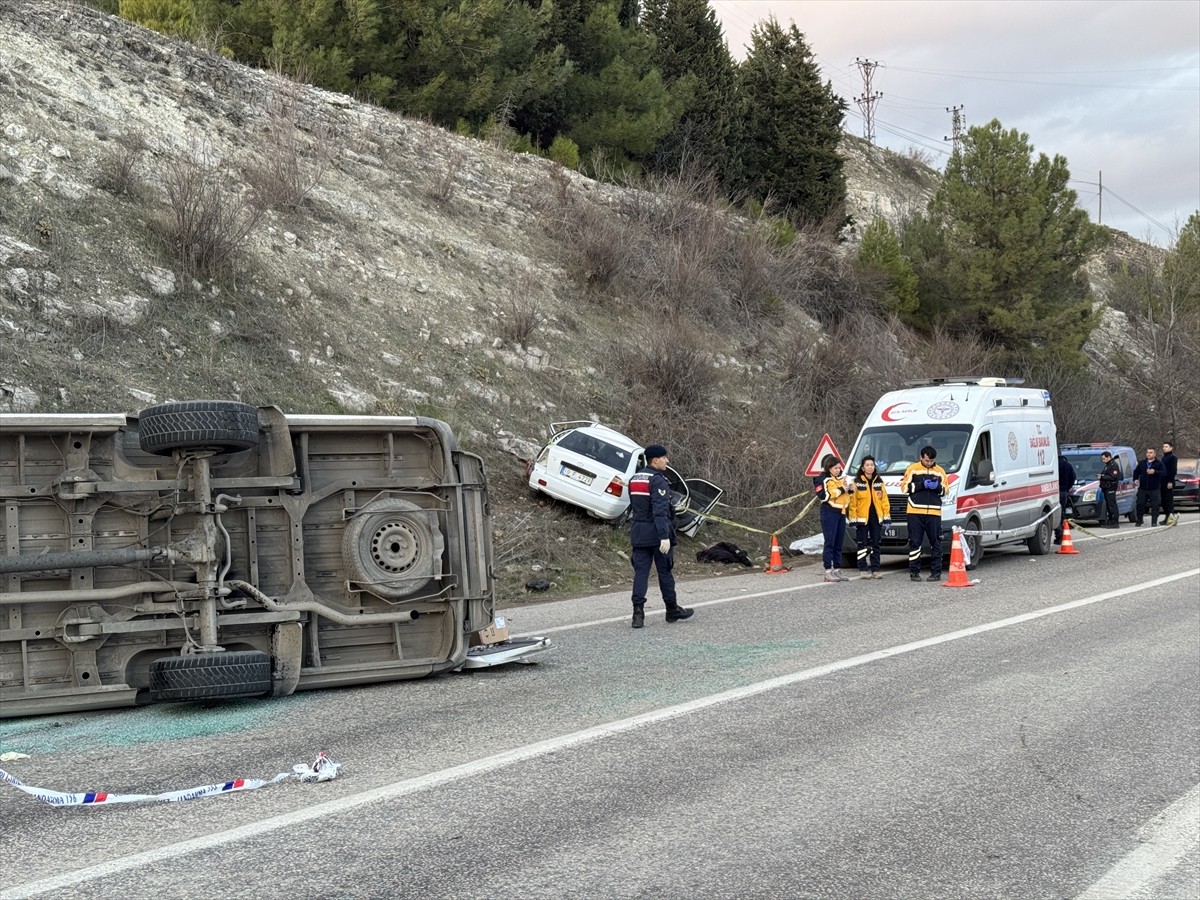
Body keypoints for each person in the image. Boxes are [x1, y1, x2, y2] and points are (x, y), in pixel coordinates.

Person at [628, 444, 693, 628]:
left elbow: (634, 506)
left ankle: (637, 615)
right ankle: (672, 610)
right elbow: (660, 511)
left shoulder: (634, 478)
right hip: (657, 534)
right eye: (664, 457)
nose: (667, 460)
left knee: (640, 574)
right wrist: (664, 536)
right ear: (655, 460)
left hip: (639, 534)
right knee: (665, 572)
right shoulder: (658, 481)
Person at [901, 445, 947, 582]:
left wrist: (937, 487)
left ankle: (936, 572)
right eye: (927, 460)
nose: (929, 463)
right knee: (915, 542)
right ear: (921, 458)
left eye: (931, 461)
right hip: (915, 511)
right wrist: (922, 484)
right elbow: (904, 488)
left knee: (936, 542)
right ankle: (914, 572)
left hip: (934, 512)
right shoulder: (912, 469)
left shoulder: (940, 471)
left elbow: (946, 490)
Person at [849, 455, 890, 579]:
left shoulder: (879, 482)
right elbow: (853, 502)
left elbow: (884, 501)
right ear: (862, 467)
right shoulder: (856, 482)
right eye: (867, 465)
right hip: (862, 518)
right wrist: (853, 518)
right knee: (862, 544)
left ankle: (875, 569)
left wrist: (887, 517)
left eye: (872, 465)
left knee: (875, 543)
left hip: (876, 518)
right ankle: (863, 569)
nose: (870, 467)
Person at [818, 454, 853, 582]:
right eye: (835, 468)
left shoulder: (841, 479)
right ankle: (828, 570)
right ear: (829, 468)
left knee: (839, 543)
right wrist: (842, 489)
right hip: (829, 512)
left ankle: (838, 569)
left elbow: (845, 495)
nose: (838, 470)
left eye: (839, 468)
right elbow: (826, 495)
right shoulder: (825, 480)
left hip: (841, 512)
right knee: (830, 542)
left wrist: (850, 489)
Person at [1133, 446, 1165, 527]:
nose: (1149, 454)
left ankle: (1154, 521)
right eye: (1148, 452)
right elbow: (1136, 472)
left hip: (1154, 488)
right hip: (1143, 488)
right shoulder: (1142, 463)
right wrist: (1135, 479)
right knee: (1140, 504)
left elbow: (1164, 473)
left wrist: (1155, 472)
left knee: (1155, 505)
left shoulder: (1159, 463)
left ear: (1154, 454)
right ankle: (1139, 520)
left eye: (1151, 453)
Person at [1053, 453, 1077, 545]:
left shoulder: (1054, 464)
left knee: (1054, 512)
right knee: (1062, 512)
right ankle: (1061, 534)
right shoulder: (1068, 465)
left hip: (1053, 491)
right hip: (1063, 491)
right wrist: (1067, 488)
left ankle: (1059, 534)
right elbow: (1073, 478)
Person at [1098, 450, 1121, 528]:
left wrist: (1102, 477)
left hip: (1111, 487)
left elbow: (1114, 476)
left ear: (1109, 457)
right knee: (1108, 504)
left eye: (1104, 459)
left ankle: (1114, 522)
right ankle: (1110, 521)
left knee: (1112, 505)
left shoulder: (1113, 465)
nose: (1103, 460)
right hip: (1106, 488)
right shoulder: (1107, 465)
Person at [1161, 441, 1178, 526]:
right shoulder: (1163, 458)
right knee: (1163, 501)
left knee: (1168, 501)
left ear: (1171, 448)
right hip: (1162, 482)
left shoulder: (1172, 458)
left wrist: (1170, 481)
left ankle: (1171, 517)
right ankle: (1167, 517)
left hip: (1169, 482)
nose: (1164, 448)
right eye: (1164, 446)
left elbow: (1173, 470)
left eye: (1166, 446)